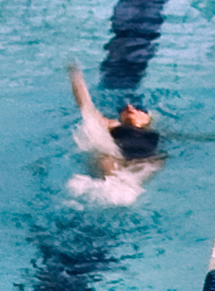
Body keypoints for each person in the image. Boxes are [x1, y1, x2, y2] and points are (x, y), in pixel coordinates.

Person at [65, 62, 164, 206]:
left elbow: (189, 139)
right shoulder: (113, 124)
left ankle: (123, 194)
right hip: (114, 159)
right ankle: (110, 188)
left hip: (142, 164)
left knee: (157, 161)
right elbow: (85, 106)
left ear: (148, 118)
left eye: (137, 109)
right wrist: (75, 76)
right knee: (106, 159)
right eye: (124, 109)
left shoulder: (158, 133)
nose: (129, 107)